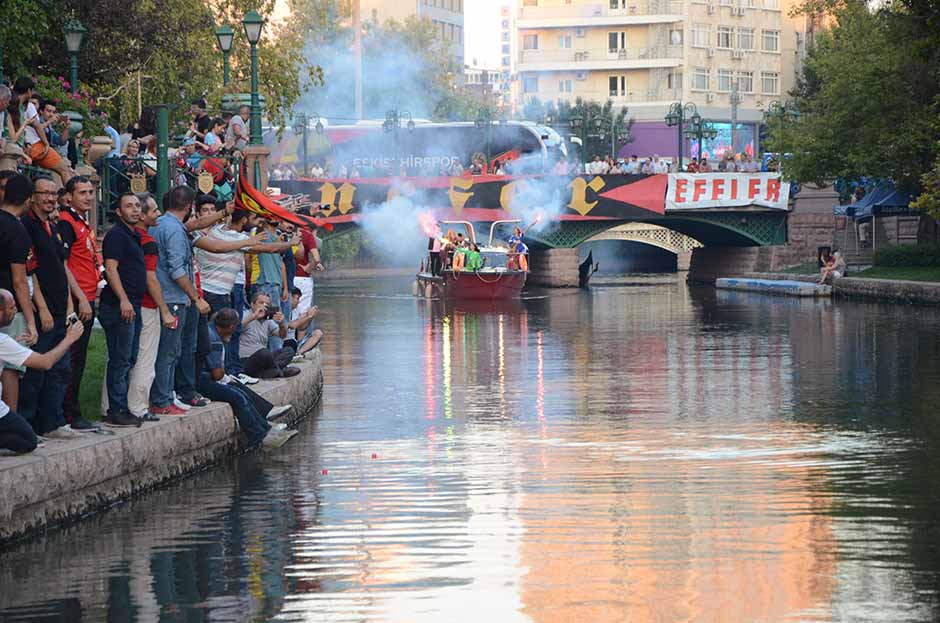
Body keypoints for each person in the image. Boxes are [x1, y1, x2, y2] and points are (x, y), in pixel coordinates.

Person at [19, 177, 77, 439]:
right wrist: (41, 308)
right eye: (45, 194)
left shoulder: (52, 226)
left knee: (61, 368)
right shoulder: (28, 226)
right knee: (37, 371)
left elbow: (61, 269)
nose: (51, 199)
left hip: (59, 307)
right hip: (43, 308)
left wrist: (68, 308)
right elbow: (32, 273)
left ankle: (53, 422)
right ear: (32, 197)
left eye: (54, 194)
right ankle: (30, 425)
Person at [149, 185, 211, 417]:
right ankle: (162, 400)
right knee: (169, 352)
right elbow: (176, 270)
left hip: (165, 296)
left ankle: (166, 395)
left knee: (168, 351)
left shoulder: (161, 225)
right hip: (173, 298)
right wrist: (196, 298)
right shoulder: (174, 230)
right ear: (189, 207)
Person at [0, 289, 84, 453]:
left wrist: (14, 345)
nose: (16, 310)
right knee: (28, 441)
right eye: (11, 308)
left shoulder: (5, 342)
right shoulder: (3, 342)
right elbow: (45, 363)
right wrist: (69, 339)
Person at [198, 308, 296, 449]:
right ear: (231, 327)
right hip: (202, 381)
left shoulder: (211, 331)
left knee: (239, 389)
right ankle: (259, 436)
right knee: (238, 397)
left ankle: (266, 428)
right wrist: (226, 378)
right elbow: (217, 374)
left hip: (204, 377)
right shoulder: (215, 340)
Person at [125, 194, 176, 422]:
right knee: (145, 358)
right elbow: (151, 278)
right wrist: (164, 309)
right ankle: (138, 407)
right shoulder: (146, 242)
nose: (158, 215)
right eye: (154, 211)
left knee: (122, 358)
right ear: (143, 216)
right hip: (145, 305)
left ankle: (113, 405)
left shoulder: (128, 237)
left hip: (130, 303)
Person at [99, 193, 148, 427]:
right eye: (129, 206)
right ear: (119, 211)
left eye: (138, 206)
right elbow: (111, 268)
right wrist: (123, 300)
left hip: (134, 304)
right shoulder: (116, 235)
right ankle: (115, 410)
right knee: (120, 359)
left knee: (129, 358)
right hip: (119, 306)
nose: (135, 210)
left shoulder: (133, 235)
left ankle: (121, 407)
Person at [58, 176, 100, 430]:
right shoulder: (67, 222)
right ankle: (69, 414)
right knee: (73, 359)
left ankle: (73, 411)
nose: (88, 196)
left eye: (90, 192)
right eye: (82, 192)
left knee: (80, 359)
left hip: (88, 295)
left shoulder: (80, 221)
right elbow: (63, 265)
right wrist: (80, 300)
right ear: (70, 196)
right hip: (77, 298)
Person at [0, 174, 40, 413]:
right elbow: (20, 281)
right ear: (28, 200)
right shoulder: (17, 230)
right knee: (11, 366)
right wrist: (31, 321)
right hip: (7, 307)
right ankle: (9, 423)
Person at [240, 292, 300, 379]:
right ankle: (279, 372)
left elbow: (282, 335)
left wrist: (281, 324)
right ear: (252, 305)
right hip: (246, 360)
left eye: (267, 304)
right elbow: (236, 330)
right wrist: (254, 316)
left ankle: (270, 371)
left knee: (289, 350)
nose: (264, 306)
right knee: (264, 352)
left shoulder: (267, 320)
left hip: (264, 360)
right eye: (260, 303)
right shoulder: (245, 315)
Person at [284, 288, 323, 357]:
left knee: (318, 333)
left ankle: (298, 353)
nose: (298, 302)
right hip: (286, 342)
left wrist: (310, 317)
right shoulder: (284, 310)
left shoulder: (296, 311)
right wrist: (308, 317)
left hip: (294, 341)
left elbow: (302, 328)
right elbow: (293, 325)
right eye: (297, 298)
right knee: (291, 343)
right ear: (291, 298)